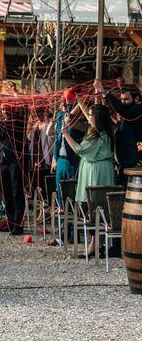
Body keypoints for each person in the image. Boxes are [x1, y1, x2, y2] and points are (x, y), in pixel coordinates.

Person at [63, 101, 115, 257]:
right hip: (96, 170)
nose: (88, 118)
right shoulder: (102, 132)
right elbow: (88, 116)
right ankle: (96, 244)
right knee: (94, 209)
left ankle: (94, 246)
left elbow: (79, 149)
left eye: (91, 115)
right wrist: (79, 102)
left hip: (96, 173)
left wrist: (65, 134)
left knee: (93, 208)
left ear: (97, 118)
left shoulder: (99, 136)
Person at [0, 104, 28, 235]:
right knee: (6, 193)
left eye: (6, 109)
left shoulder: (19, 122)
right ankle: (10, 222)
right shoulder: (1, 123)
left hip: (16, 161)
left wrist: (14, 94)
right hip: (2, 161)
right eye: (2, 109)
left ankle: (18, 224)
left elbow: (25, 109)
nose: (4, 112)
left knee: (17, 192)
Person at [94, 79, 142, 186]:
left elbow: (123, 110)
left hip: (134, 160)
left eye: (126, 99)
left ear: (137, 98)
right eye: (122, 100)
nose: (123, 102)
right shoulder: (129, 111)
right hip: (124, 160)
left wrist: (104, 91)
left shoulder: (137, 109)